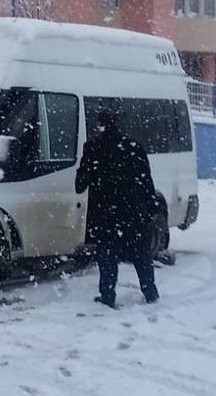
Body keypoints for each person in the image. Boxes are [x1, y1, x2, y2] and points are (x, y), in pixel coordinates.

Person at [75, 109, 161, 308]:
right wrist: (150, 208)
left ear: (99, 126)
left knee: (107, 256)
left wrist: (88, 169)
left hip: (105, 214)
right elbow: (146, 182)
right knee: (141, 254)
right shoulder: (134, 147)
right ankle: (150, 292)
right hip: (133, 213)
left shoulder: (93, 148)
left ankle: (107, 294)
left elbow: (80, 184)